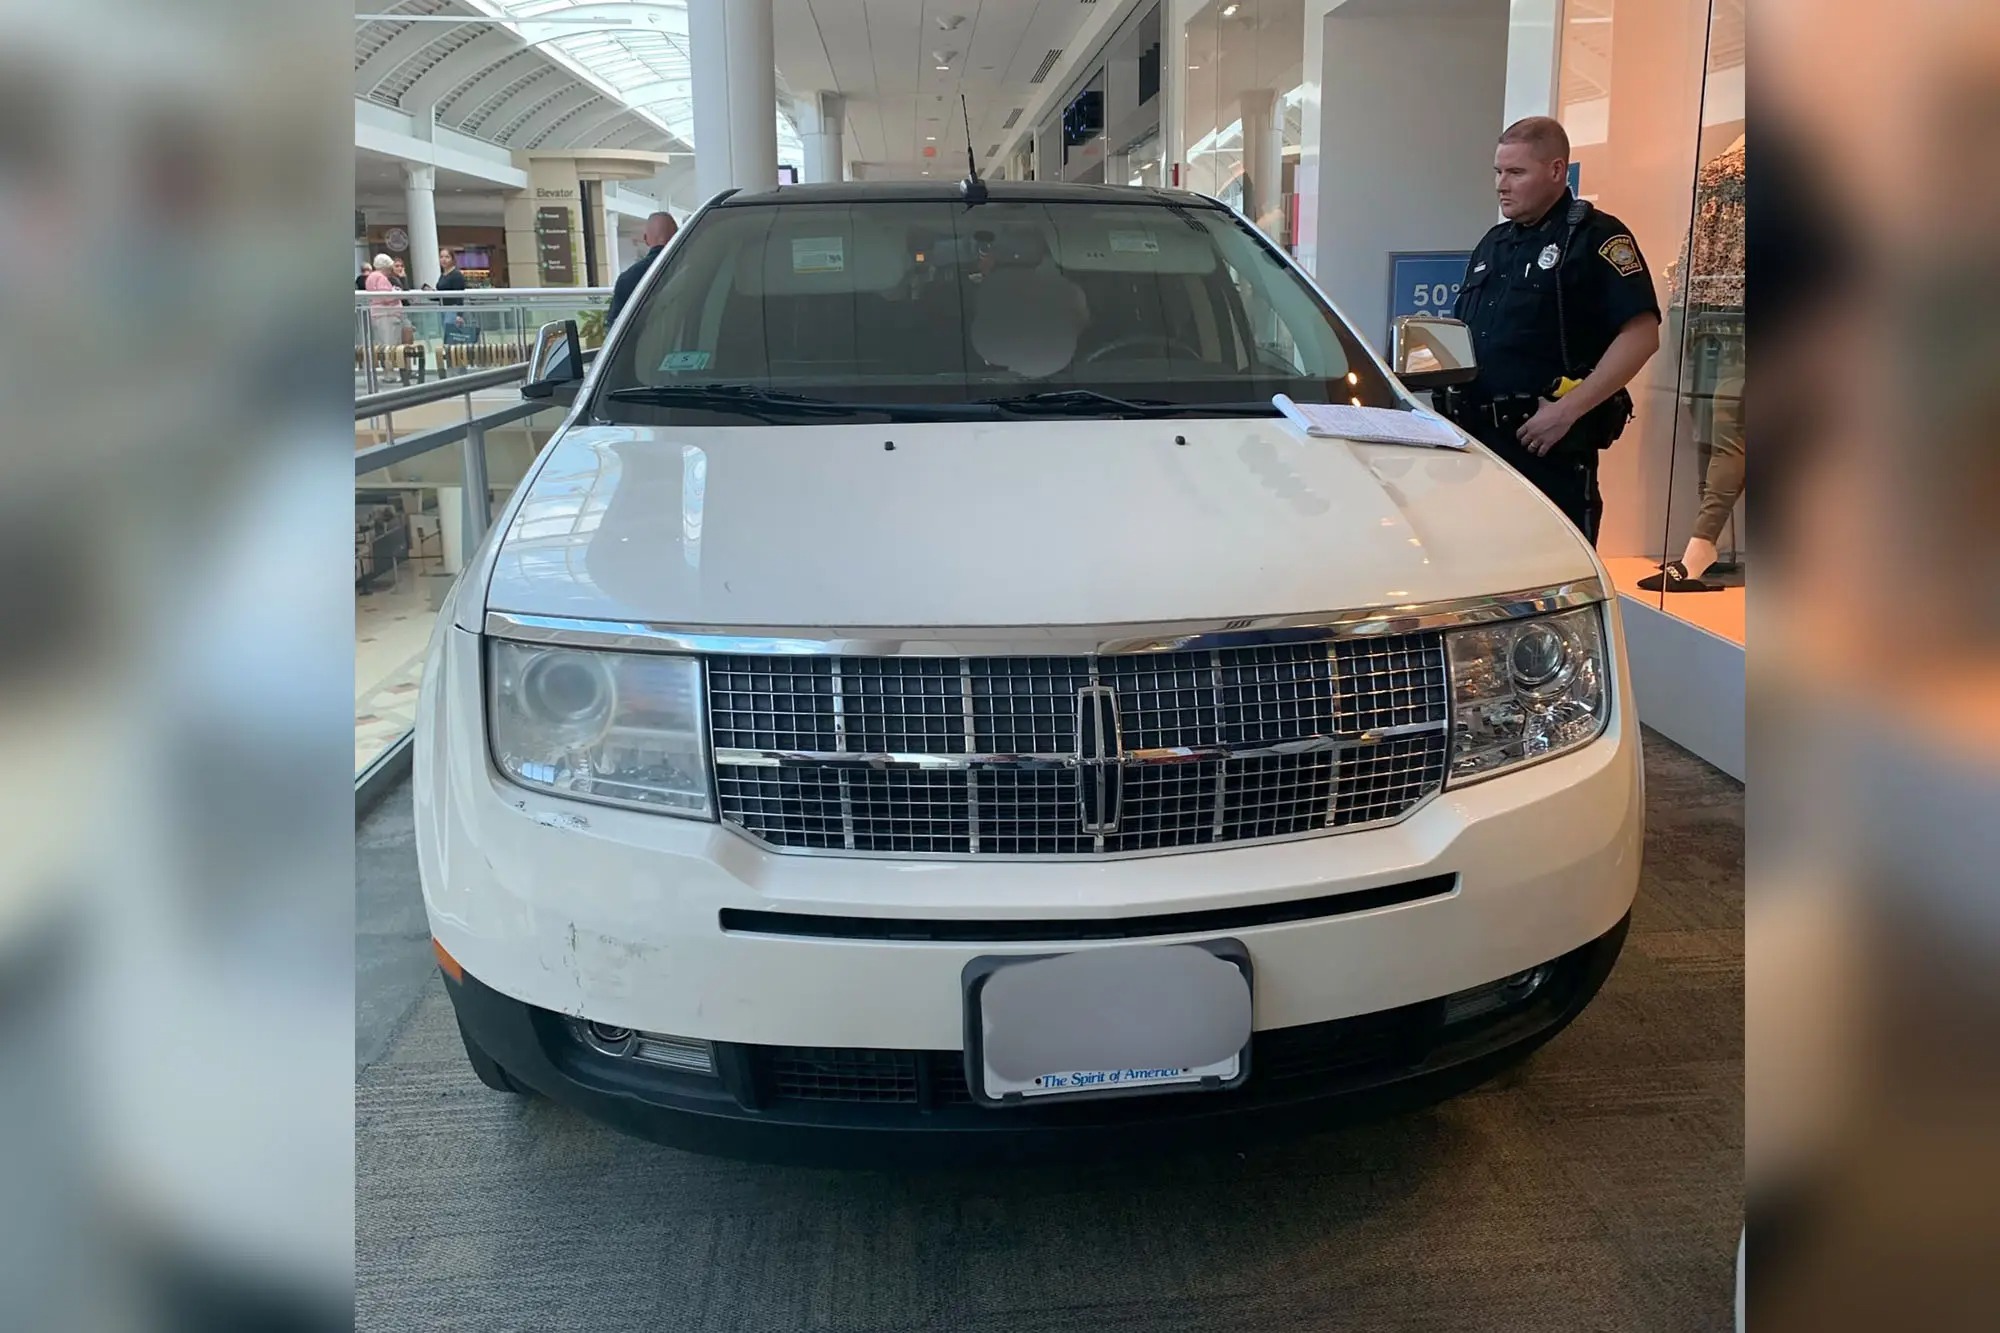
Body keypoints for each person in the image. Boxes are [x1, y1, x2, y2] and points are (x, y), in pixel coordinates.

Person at [1439, 116, 1661, 543]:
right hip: (1480, 449)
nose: (1501, 184)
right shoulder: (1495, 242)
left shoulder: (1595, 237)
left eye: (1516, 172)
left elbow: (1641, 335)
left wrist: (1566, 410)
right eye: (1498, 172)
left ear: (1556, 170)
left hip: (1547, 449)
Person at [607, 211, 678, 323]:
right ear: (678, 236)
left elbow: (614, 325)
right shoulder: (695, 269)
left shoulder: (627, 279)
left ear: (645, 239)